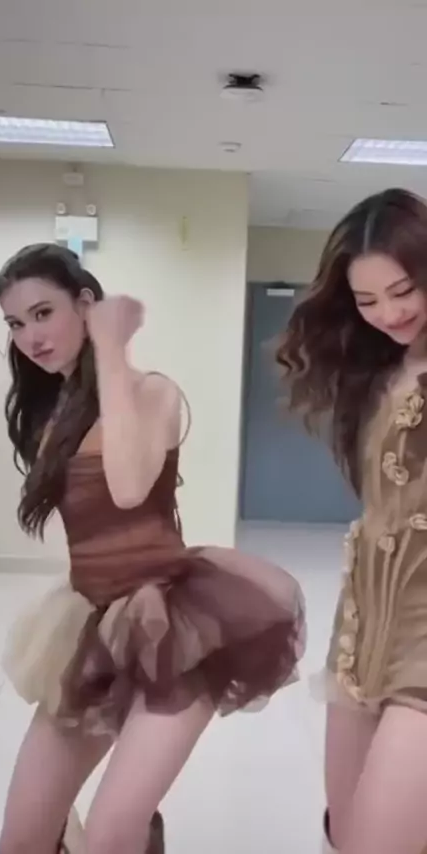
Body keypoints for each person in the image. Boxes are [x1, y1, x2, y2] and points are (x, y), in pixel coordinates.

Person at [0, 243, 305, 854]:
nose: (31, 337)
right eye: (16, 323)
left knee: (113, 834)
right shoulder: (52, 412)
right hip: (90, 621)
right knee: (20, 840)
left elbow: (130, 487)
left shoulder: (152, 391)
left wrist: (111, 347)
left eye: (43, 313)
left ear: (86, 304)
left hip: (173, 623)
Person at [276, 187, 427, 854]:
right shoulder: (381, 370)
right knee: (346, 832)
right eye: (367, 301)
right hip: (365, 625)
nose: (389, 314)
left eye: (403, 291)